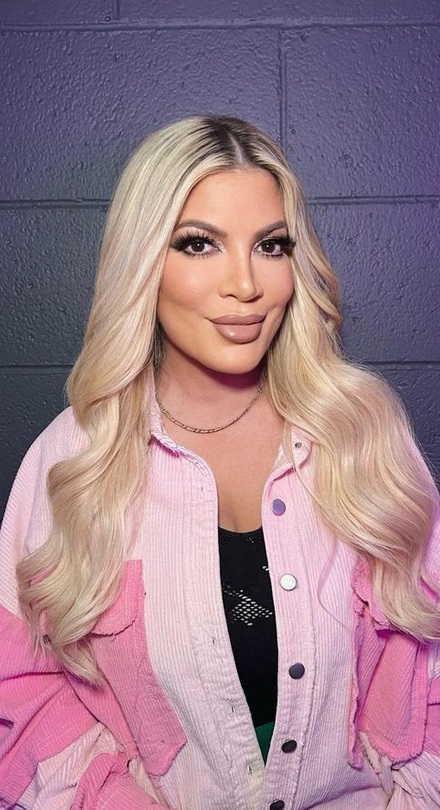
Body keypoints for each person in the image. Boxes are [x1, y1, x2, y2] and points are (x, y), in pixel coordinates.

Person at [0, 115, 439, 810]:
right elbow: (20, 687)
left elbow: (430, 666)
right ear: (144, 262)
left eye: (271, 245)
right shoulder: (73, 458)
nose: (246, 284)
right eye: (199, 244)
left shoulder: (363, 433)